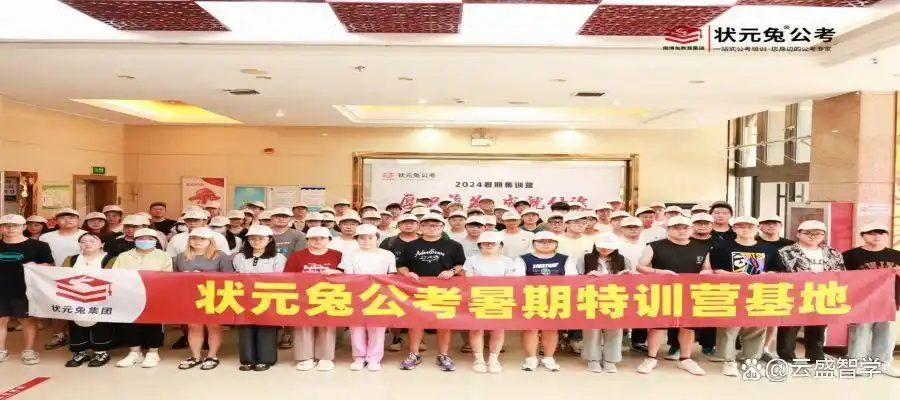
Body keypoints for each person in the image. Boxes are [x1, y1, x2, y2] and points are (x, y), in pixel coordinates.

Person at [635, 216, 712, 376]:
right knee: (658, 326)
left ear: (691, 229)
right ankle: (651, 357)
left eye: (685, 227)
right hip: (662, 290)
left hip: (690, 292)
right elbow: (641, 266)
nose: (681, 231)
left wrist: (706, 272)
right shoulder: (654, 246)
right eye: (676, 227)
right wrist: (659, 272)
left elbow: (707, 268)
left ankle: (685, 359)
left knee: (688, 326)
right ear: (668, 229)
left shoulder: (702, 248)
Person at [708, 216, 784, 376]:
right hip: (730, 292)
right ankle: (729, 361)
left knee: (757, 326)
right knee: (729, 327)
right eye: (741, 226)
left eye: (750, 226)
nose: (745, 229)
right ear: (734, 229)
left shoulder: (768, 248)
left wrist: (766, 274)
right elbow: (716, 270)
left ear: (757, 229)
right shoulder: (722, 247)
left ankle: (752, 360)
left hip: (758, 293)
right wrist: (733, 275)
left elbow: (776, 269)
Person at [397, 213, 466, 371]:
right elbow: (401, 265)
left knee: (444, 323)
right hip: (417, 289)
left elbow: (461, 264)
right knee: (416, 323)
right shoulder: (411, 245)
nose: (432, 228)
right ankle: (414, 354)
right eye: (427, 225)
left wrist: (452, 271)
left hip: (445, 290)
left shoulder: (454, 245)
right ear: (420, 227)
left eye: (436, 225)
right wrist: (407, 274)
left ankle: (443, 355)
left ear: (443, 227)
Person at [776, 220, 845, 364]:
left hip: (822, 294)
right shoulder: (785, 251)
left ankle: (816, 358)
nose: (813, 236)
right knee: (789, 328)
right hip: (794, 294)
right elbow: (778, 273)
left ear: (823, 235)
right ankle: (786, 358)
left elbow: (842, 273)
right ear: (798, 234)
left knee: (817, 329)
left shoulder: (832, 253)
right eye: (808, 233)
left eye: (818, 233)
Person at [842, 222, 900, 377]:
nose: (877, 236)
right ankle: (856, 363)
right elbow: (840, 277)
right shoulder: (850, 256)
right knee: (860, 332)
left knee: (886, 332)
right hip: (861, 301)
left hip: (888, 301)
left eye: (881, 233)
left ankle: (883, 363)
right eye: (872, 233)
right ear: (862, 235)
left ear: (886, 235)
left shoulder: (896, 255)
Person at [173, 227, 233, 371]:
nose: (197, 241)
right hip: (190, 295)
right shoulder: (181, 257)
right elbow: (174, 277)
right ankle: (195, 356)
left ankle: (212, 355)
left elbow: (229, 276)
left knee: (213, 326)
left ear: (210, 241)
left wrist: (205, 275)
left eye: (202, 238)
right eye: (194, 238)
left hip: (213, 295)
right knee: (193, 326)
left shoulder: (220, 256)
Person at [515, 231, 577, 371]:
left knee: (551, 328)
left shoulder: (565, 259)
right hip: (531, 298)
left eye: (549, 241)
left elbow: (572, 280)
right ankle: (531, 358)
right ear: (533, 244)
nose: (545, 244)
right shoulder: (523, 259)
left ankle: (549, 357)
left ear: (556, 244)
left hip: (555, 298)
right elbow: (518, 280)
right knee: (530, 329)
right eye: (541, 241)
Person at [283, 226, 343, 370]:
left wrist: (336, 272)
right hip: (303, 296)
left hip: (329, 295)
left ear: (329, 239)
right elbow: (287, 276)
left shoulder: (337, 255)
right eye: (313, 238)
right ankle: (305, 357)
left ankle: (325, 357)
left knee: (327, 325)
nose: (318, 241)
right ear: (307, 240)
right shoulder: (297, 256)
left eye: (322, 238)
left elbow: (347, 274)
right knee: (303, 325)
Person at [112, 228, 173, 368]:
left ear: (155, 241)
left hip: (154, 294)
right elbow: (116, 275)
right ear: (135, 240)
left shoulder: (163, 256)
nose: (146, 241)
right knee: (129, 323)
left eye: (150, 239)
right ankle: (134, 352)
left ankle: (153, 352)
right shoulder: (124, 256)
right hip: (129, 295)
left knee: (153, 323)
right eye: (141, 238)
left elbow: (167, 275)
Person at [341, 224, 397, 372]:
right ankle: (359, 357)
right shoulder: (349, 255)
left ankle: (374, 358)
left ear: (377, 239)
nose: (366, 241)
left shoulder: (387, 255)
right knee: (356, 327)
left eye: (370, 238)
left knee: (377, 327)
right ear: (356, 239)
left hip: (380, 294)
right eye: (362, 238)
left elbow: (392, 275)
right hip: (355, 294)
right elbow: (348, 275)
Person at [0, 214, 54, 365]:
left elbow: (49, 265)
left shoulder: (39, 246)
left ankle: (29, 350)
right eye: (6, 225)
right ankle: (1, 350)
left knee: (26, 320)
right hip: (1, 288)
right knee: (1, 319)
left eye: (15, 225)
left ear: (24, 227)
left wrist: (36, 266)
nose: (10, 229)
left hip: (25, 289)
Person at [233, 225, 287, 371]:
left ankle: (266, 359)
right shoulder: (239, 257)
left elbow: (279, 278)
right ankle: (247, 360)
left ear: (270, 240)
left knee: (266, 328)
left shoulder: (278, 258)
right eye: (252, 239)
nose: (256, 242)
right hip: (245, 297)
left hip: (268, 297)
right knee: (245, 327)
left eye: (261, 239)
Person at [60, 232, 117, 367]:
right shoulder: (71, 259)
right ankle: (79, 352)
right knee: (76, 325)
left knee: (101, 325)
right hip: (75, 297)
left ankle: (100, 352)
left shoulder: (111, 259)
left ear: (102, 244)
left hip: (101, 297)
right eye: (83, 241)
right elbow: (62, 275)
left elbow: (115, 278)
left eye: (92, 241)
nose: (87, 244)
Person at [463, 231, 515, 373]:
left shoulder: (507, 261)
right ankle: (479, 359)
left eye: (493, 243)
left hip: (500, 297)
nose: (489, 245)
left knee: (498, 329)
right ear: (480, 245)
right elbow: (468, 280)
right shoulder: (472, 260)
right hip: (477, 297)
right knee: (477, 328)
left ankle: (494, 359)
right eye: (485, 243)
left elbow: (510, 280)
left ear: (500, 245)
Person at [40, 208, 87, 351]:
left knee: (79, 308)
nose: (67, 220)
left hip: (81, 276)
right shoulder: (46, 237)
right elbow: (42, 256)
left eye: (71, 217)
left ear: (78, 220)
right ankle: (59, 334)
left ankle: (81, 337)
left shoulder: (86, 235)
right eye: (63, 217)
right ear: (56, 221)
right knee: (59, 307)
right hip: (54, 276)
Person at [582, 233, 629, 373]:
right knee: (592, 329)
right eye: (601, 246)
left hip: (615, 297)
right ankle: (593, 359)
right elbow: (576, 278)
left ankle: (610, 360)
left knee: (614, 329)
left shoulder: (623, 260)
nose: (605, 249)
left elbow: (629, 281)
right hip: (591, 297)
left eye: (609, 247)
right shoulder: (585, 258)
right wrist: (588, 277)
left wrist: (622, 277)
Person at [378, 214, 422, 352]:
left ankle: (419, 339)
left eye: (412, 222)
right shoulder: (389, 242)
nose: (408, 225)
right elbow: (381, 259)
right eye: (404, 222)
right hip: (395, 282)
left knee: (418, 311)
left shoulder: (424, 240)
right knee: (396, 309)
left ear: (418, 225)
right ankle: (396, 338)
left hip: (419, 282)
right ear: (398, 225)